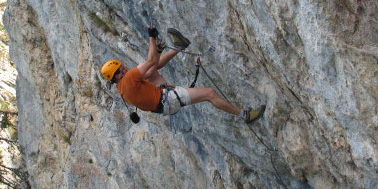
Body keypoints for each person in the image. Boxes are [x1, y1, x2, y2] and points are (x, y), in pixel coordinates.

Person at [100, 27, 266, 123]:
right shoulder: (128, 79)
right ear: (117, 76)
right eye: (121, 69)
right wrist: (152, 37)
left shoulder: (123, 88)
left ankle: (179, 47)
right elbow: (150, 61)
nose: (125, 68)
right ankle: (245, 115)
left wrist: (157, 51)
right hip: (168, 100)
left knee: (150, 73)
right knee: (210, 93)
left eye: (122, 66)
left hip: (164, 104)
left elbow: (152, 67)